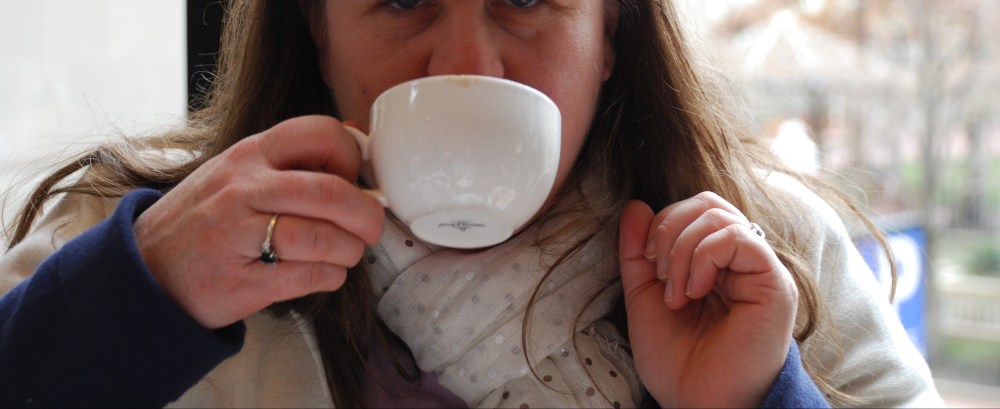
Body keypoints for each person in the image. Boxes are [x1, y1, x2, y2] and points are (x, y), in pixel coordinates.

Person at [0, 1, 942, 407]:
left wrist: (755, 400)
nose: (465, 65)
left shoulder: (765, 256)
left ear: (607, 34)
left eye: (525, 0)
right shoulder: (137, 239)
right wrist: (140, 293)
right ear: (320, 36)